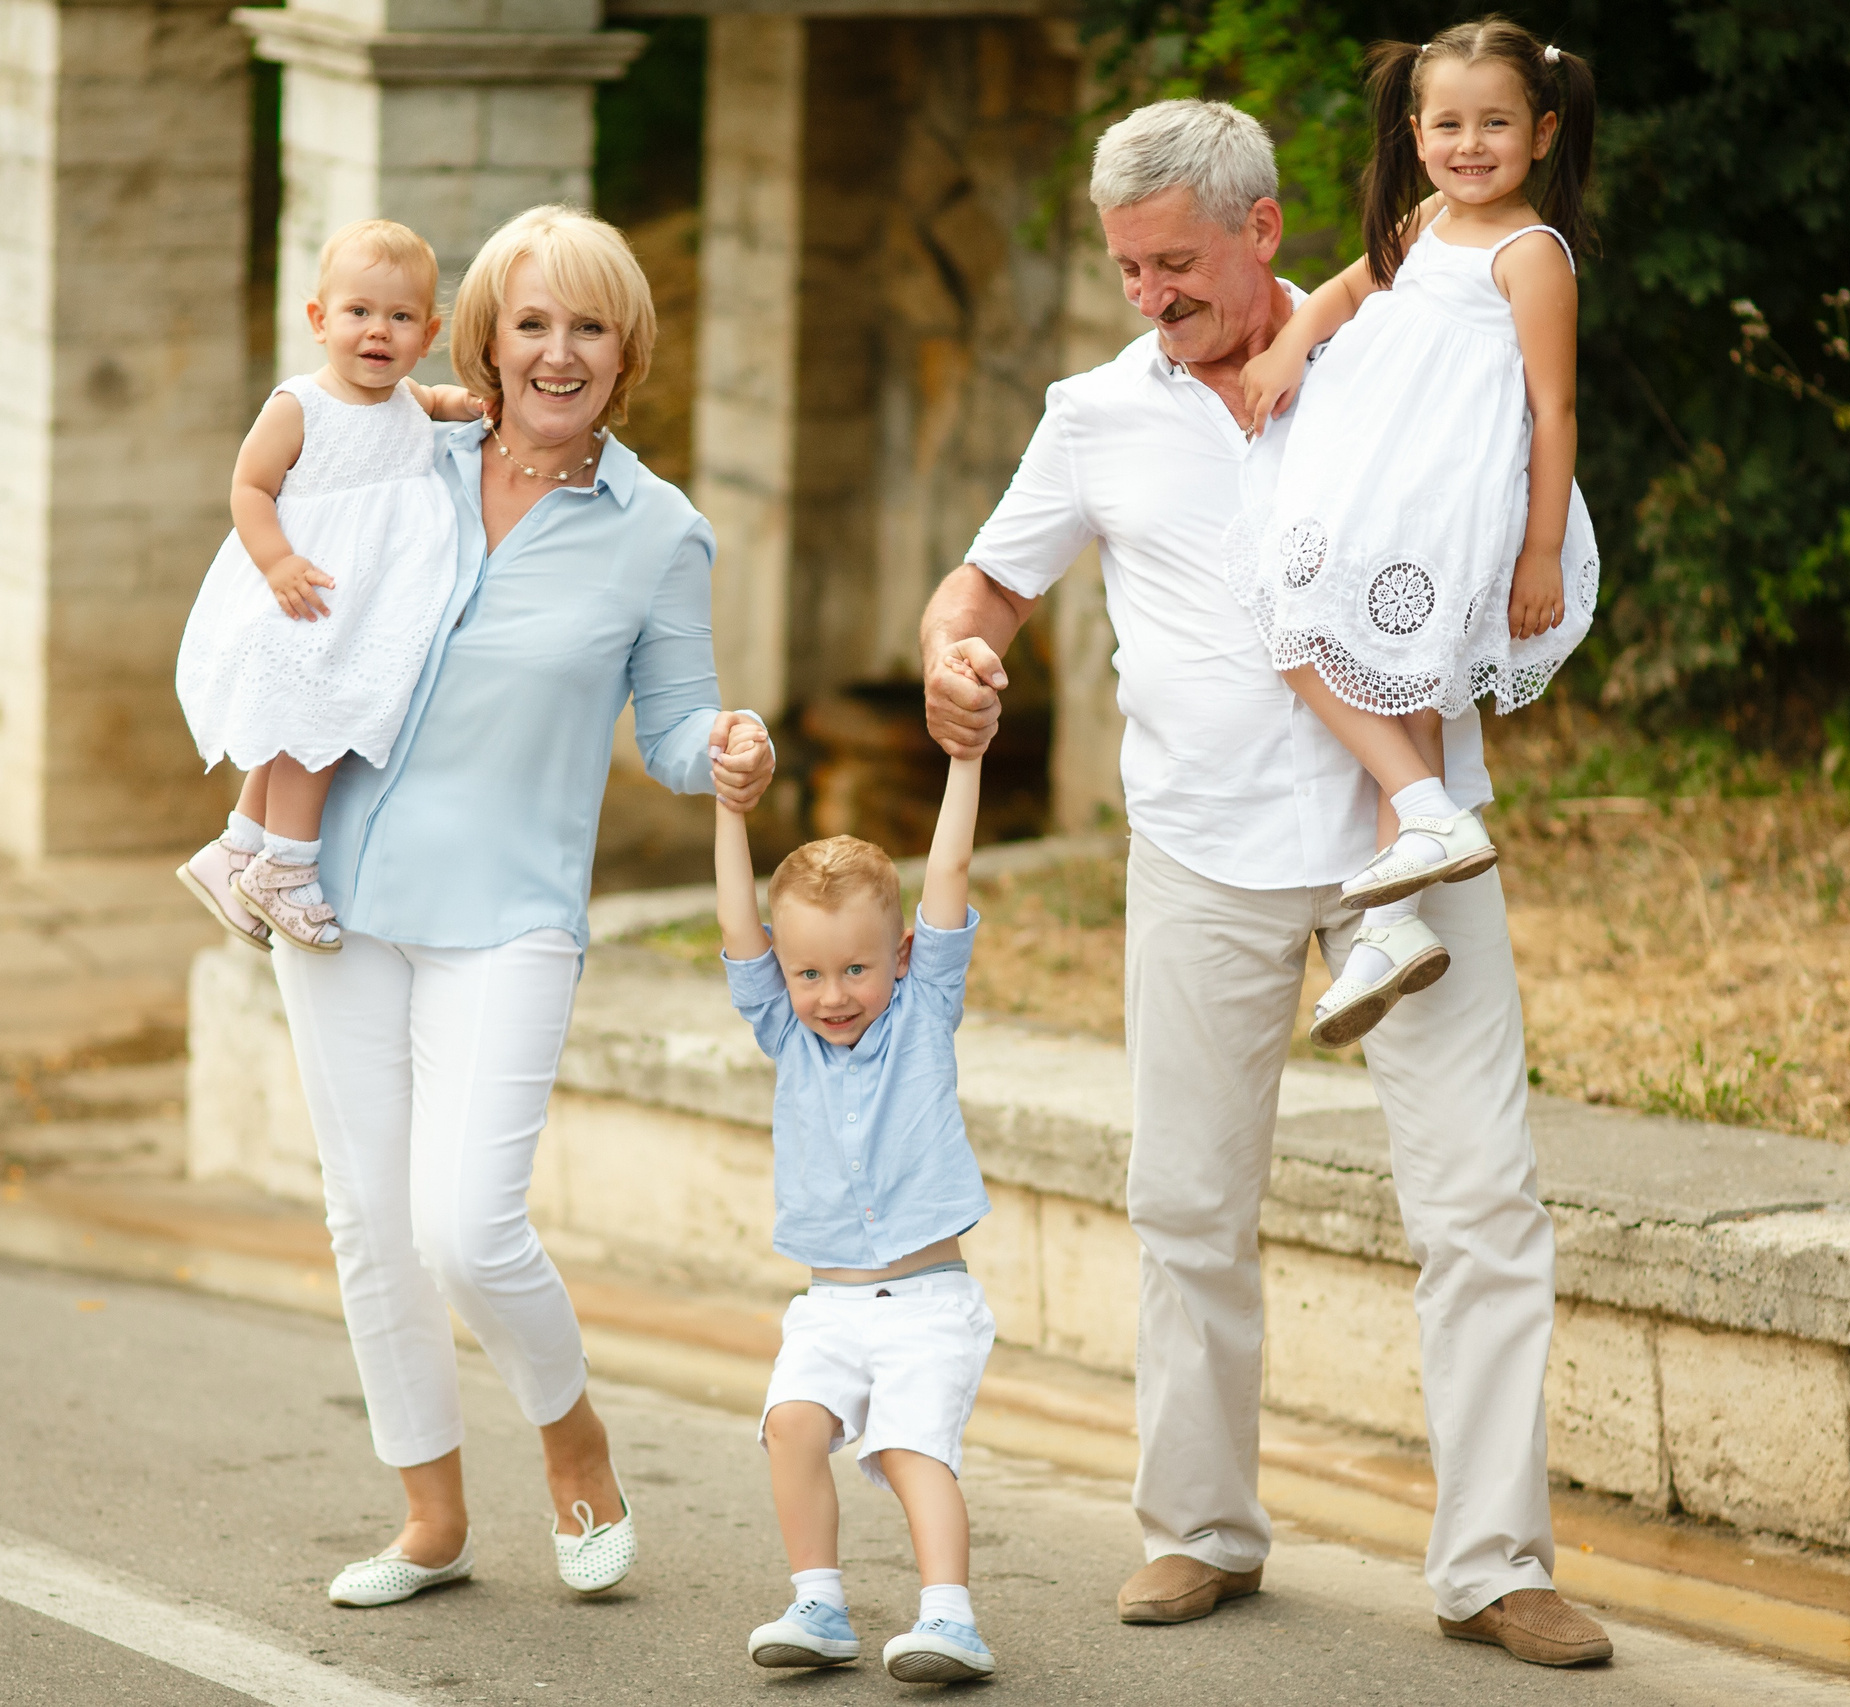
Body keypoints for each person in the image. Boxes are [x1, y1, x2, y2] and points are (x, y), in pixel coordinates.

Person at [919, 98, 1614, 1666]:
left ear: (1264, 232)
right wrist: (949, 656)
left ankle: (1499, 1563)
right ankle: (1198, 1530)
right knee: (1187, 1203)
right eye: (1125, 267)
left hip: (1410, 849)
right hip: (1198, 853)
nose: (1148, 295)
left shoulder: (1395, 352)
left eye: (1174, 262)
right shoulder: (1094, 411)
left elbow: (1523, 450)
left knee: (1483, 1200)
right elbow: (987, 584)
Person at [259, 206, 776, 1608]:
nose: (558, 352)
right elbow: (279, 477)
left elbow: (671, 729)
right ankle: (431, 1515)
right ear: (481, 335)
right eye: (531, 322)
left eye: (589, 326)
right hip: (338, 892)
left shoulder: (661, 533)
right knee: (369, 1213)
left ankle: (574, 1435)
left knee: (466, 1223)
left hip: (511, 910)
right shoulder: (398, 459)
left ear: (629, 351)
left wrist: (726, 742)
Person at [1231, 17, 1601, 1049]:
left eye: (1494, 123)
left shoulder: (1533, 256)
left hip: (1447, 499)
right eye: (1448, 123)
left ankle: (1424, 808)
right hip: (1379, 481)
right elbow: (1352, 286)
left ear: (1543, 131)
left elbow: (1553, 410)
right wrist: (1290, 350)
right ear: (1415, 128)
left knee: (1298, 635)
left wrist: (1536, 552)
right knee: (1408, 682)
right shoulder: (1431, 214)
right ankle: (1392, 927)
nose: (1469, 143)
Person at [710, 725, 1001, 1684]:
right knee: (791, 1424)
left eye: (856, 970)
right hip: (828, 1304)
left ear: (904, 956)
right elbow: (739, 924)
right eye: (808, 973)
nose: (832, 995)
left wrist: (966, 758)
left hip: (926, 1303)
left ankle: (950, 1619)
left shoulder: (923, 1010)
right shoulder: (784, 1032)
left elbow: (950, 861)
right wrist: (729, 808)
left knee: (914, 1449)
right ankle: (818, 1603)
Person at [172, 218, 488, 953]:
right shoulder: (300, 406)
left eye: (401, 317)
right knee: (322, 727)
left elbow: (433, 404)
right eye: (359, 313)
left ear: (428, 332)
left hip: (360, 605)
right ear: (319, 321)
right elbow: (250, 486)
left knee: (302, 725)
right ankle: (287, 864)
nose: (378, 331)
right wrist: (277, 560)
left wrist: (465, 403)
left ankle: (236, 852)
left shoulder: (405, 399)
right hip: (309, 595)